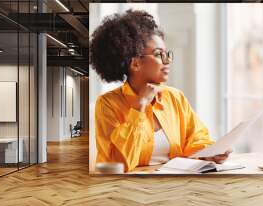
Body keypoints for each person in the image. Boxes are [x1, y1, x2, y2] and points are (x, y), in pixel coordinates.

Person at [90, 9, 231, 172]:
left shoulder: (175, 97)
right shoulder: (108, 104)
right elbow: (118, 164)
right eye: (159, 54)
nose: (167, 61)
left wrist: (210, 153)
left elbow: (196, 139)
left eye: (167, 54)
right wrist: (139, 108)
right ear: (135, 63)